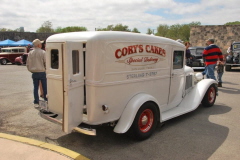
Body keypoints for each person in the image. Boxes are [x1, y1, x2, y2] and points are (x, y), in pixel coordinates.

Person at [26, 39, 47, 107]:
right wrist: (46, 69)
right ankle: (46, 99)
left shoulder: (30, 53)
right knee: (45, 87)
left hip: (34, 72)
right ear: (38, 45)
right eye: (40, 44)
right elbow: (46, 62)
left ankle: (36, 101)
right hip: (42, 71)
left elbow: (28, 63)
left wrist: (30, 70)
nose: (41, 45)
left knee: (35, 87)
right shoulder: (43, 52)